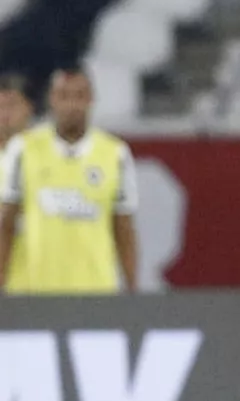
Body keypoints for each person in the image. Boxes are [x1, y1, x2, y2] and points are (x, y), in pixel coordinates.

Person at [0, 66, 139, 295]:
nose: (71, 105)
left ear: (91, 99)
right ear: (51, 100)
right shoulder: (24, 150)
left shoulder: (115, 154)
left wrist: (132, 287)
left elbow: (123, 227)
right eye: (64, 96)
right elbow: (6, 224)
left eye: (79, 96)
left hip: (97, 290)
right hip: (34, 291)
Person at [0, 74, 34, 292]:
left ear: (28, 108)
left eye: (11, 105)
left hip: (34, 283)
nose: (4, 114)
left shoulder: (47, 159)